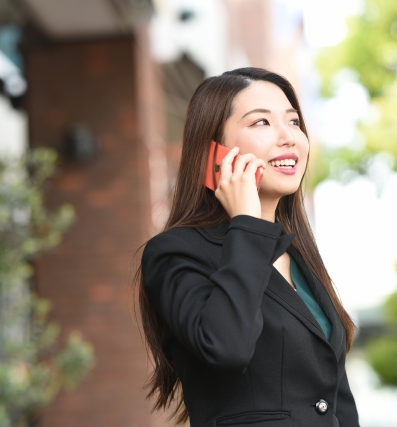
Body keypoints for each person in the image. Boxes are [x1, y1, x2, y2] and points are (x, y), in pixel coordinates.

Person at [137, 67, 359, 427]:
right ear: (215, 153)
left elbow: (336, 402)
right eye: (262, 123)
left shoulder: (299, 256)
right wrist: (248, 223)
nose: (289, 137)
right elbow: (227, 346)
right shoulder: (176, 252)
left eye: (294, 121)